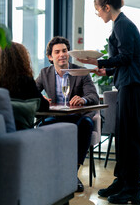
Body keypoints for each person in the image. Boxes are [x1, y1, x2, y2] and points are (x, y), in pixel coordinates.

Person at [77, 0, 140, 204]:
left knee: (131, 139)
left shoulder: (122, 25)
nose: (97, 14)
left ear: (107, 6)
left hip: (133, 86)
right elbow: (126, 59)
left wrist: (98, 60)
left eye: (97, 9)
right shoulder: (121, 25)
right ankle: (122, 180)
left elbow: (126, 57)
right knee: (123, 136)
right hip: (128, 84)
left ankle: (133, 189)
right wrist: (105, 68)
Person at [36, 36, 99, 192]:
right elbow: (31, 92)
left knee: (86, 124)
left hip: (77, 117)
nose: (62, 54)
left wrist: (83, 99)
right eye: (57, 52)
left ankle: (72, 173)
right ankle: (49, 173)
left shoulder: (81, 71)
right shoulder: (45, 73)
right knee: (42, 126)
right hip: (55, 117)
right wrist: (40, 97)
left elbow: (94, 96)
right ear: (50, 57)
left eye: (64, 51)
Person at [0, 42, 49, 113]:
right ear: (22, 59)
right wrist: (42, 99)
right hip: (21, 124)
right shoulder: (26, 81)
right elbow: (44, 106)